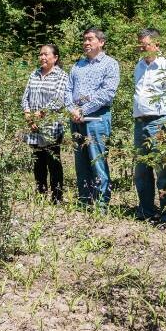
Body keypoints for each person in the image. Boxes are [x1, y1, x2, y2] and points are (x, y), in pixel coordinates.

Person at [65, 28, 120, 210]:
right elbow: (67, 90)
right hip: (76, 118)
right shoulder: (77, 65)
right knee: (81, 162)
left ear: (101, 42)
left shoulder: (110, 64)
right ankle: (84, 200)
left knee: (97, 160)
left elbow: (107, 93)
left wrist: (83, 110)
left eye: (90, 39)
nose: (86, 43)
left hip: (97, 117)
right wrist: (72, 110)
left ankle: (102, 203)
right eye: (84, 40)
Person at [132, 29, 166, 223]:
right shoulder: (139, 65)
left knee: (162, 170)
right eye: (139, 44)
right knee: (141, 169)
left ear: (156, 45)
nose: (141, 48)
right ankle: (146, 211)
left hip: (160, 121)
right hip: (139, 122)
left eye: (144, 44)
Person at [22, 44, 69, 204]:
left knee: (53, 161)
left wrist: (40, 114)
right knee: (38, 161)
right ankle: (40, 193)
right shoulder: (34, 74)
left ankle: (57, 197)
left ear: (55, 58)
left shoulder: (61, 75)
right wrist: (28, 115)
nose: (42, 57)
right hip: (33, 125)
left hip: (51, 125)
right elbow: (25, 96)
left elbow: (58, 99)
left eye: (46, 54)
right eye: (41, 54)